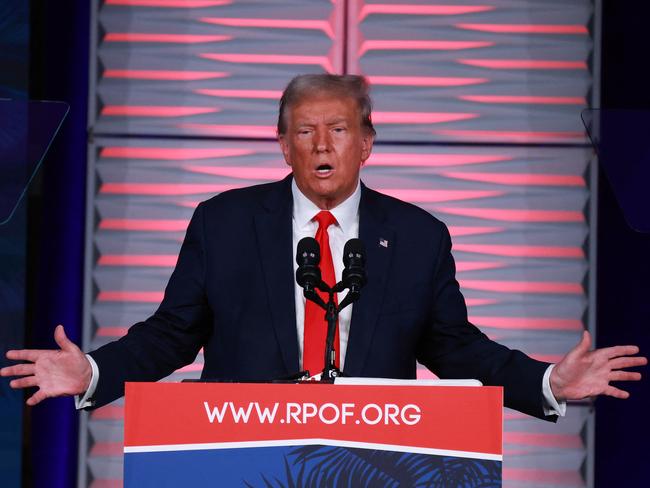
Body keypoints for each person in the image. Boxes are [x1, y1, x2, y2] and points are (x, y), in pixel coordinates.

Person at [1, 74, 646, 419]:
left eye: (337, 129)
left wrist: (545, 382)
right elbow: (171, 334)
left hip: (370, 459)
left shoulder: (420, 236)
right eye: (303, 131)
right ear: (282, 145)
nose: (320, 145)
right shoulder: (223, 222)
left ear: (366, 143)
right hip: (238, 452)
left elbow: (454, 347)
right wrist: (92, 371)